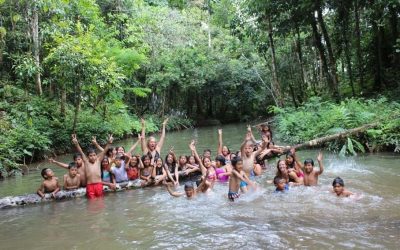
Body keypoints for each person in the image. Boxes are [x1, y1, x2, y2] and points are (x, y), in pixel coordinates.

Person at [72, 133, 113, 199]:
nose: (93, 157)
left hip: (99, 184)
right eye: (90, 156)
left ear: (96, 156)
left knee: (100, 201)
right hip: (90, 185)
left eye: (94, 155)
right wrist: (76, 144)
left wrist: (109, 143)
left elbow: (105, 151)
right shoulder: (86, 162)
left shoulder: (98, 161)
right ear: (87, 157)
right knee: (91, 202)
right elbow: (81, 152)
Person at [239, 126, 268, 191]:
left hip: (250, 177)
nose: (247, 150)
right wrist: (245, 141)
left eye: (249, 148)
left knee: (257, 190)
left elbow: (262, 148)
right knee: (246, 194)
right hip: (242, 178)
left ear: (252, 149)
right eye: (246, 148)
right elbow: (241, 148)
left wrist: (266, 142)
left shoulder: (253, 154)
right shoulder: (243, 156)